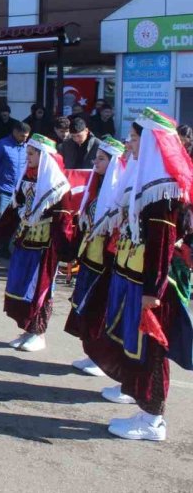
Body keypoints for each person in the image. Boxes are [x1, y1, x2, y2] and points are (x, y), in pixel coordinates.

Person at [86, 109, 193, 441]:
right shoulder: (148, 181)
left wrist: (153, 291)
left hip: (152, 285)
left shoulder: (162, 190)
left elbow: (161, 246)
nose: (128, 144)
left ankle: (152, 419)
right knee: (134, 346)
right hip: (135, 276)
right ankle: (141, 401)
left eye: (133, 139)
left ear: (149, 144)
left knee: (152, 350)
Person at [0, 134, 75, 352]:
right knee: (20, 286)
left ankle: (39, 332)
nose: (26, 157)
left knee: (40, 289)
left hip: (46, 246)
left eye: (31, 153)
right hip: (24, 241)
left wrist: (66, 252)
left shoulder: (58, 187)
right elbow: (13, 211)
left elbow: (64, 222)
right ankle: (28, 330)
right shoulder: (27, 178)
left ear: (44, 156)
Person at [63, 136, 126, 376]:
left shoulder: (117, 191)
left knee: (100, 310)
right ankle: (92, 354)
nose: (95, 162)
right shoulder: (96, 186)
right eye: (96, 157)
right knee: (86, 308)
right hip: (90, 258)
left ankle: (102, 359)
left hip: (105, 263)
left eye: (101, 159)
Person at [0, 122, 30, 259]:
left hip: (19, 191)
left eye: (26, 136)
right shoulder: (2, 144)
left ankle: (4, 248)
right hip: (3, 189)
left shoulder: (27, 147)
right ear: (15, 132)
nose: (24, 139)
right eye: (22, 136)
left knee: (13, 220)